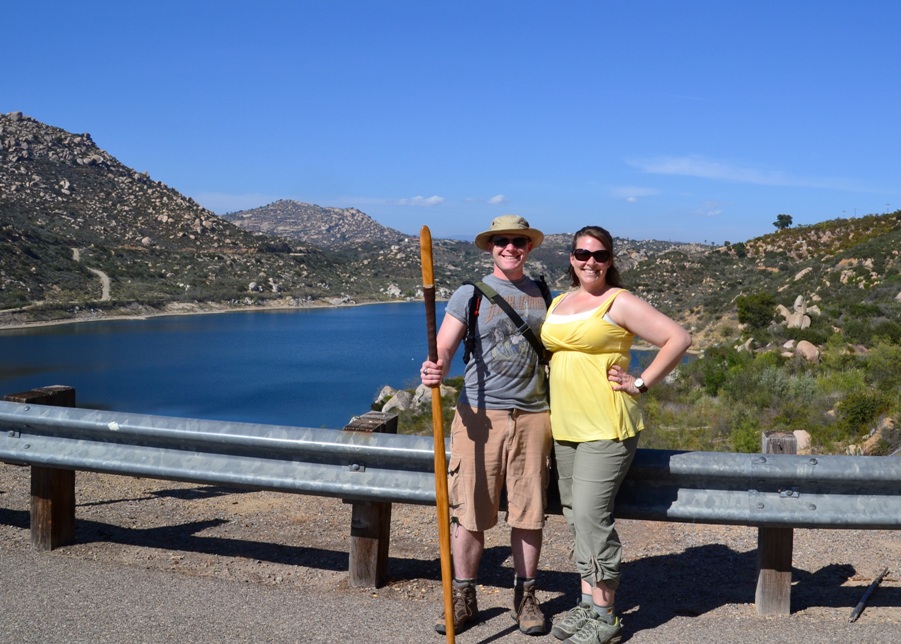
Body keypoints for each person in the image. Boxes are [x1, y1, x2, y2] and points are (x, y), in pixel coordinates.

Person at [540, 225, 692, 644]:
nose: (590, 261)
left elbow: (678, 338)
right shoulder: (559, 301)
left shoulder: (617, 301)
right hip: (565, 426)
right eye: (582, 253)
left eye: (600, 255)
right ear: (570, 257)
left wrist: (640, 383)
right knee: (574, 515)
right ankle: (588, 605)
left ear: (610, 261)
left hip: (606, 424)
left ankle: (605, 616)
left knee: (591, 516)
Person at [420, 214, 552, 636]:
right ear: (490, 247)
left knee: (529, 513)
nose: (509, 247)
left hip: (533, 416)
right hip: (479, 416)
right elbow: (444, 345)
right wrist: (434, 367)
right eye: (501, 241)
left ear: (528, 247)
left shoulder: (545, 293)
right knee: (470, 513)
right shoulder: (470, 295)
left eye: (517, 241)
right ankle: (463, 596)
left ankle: (526, 596)